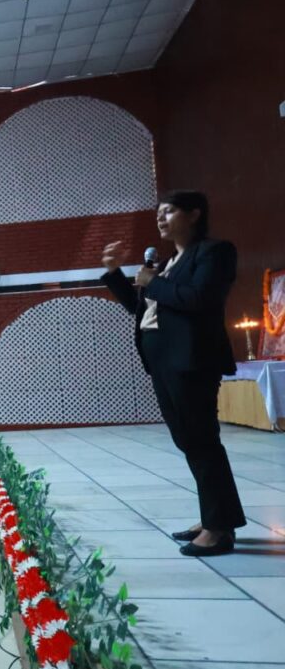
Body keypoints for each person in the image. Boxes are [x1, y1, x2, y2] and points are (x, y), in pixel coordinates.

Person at [101, 190, 246, 557]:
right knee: (189, 441)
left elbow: (200, 298)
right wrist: (115, 274)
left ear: (194, 214)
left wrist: (153, 282)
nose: (161, 218)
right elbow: (142, 307)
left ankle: (218, 529)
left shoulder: (214, 252)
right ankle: (215, 516)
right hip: (164, 362)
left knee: (201, 441)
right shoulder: (168, 263)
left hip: (191, 361)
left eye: (169, 211)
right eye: (158, 213)